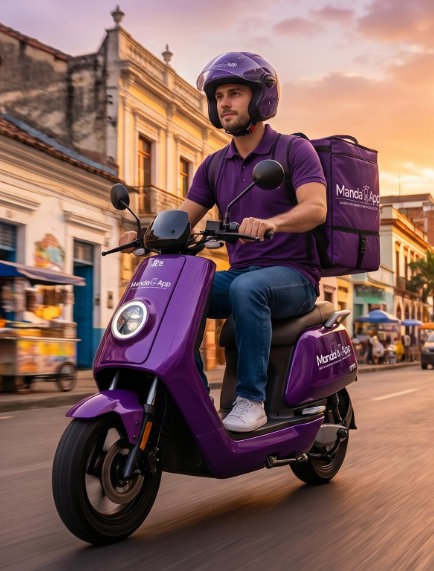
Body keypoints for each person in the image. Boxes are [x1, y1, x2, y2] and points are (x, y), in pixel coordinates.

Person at [121, 52, 326, 432]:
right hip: (242, 273)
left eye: (234, 93)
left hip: (294, 276)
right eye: (218, 97)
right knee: (179, 289)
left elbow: (316, 209)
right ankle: (191, 398)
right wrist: (145, 237)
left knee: (249, 288)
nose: (224, 103)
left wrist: (272, 223)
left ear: (261, 98)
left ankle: (251, 400)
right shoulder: (214, 165)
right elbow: (183, 219)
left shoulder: (293, 151)